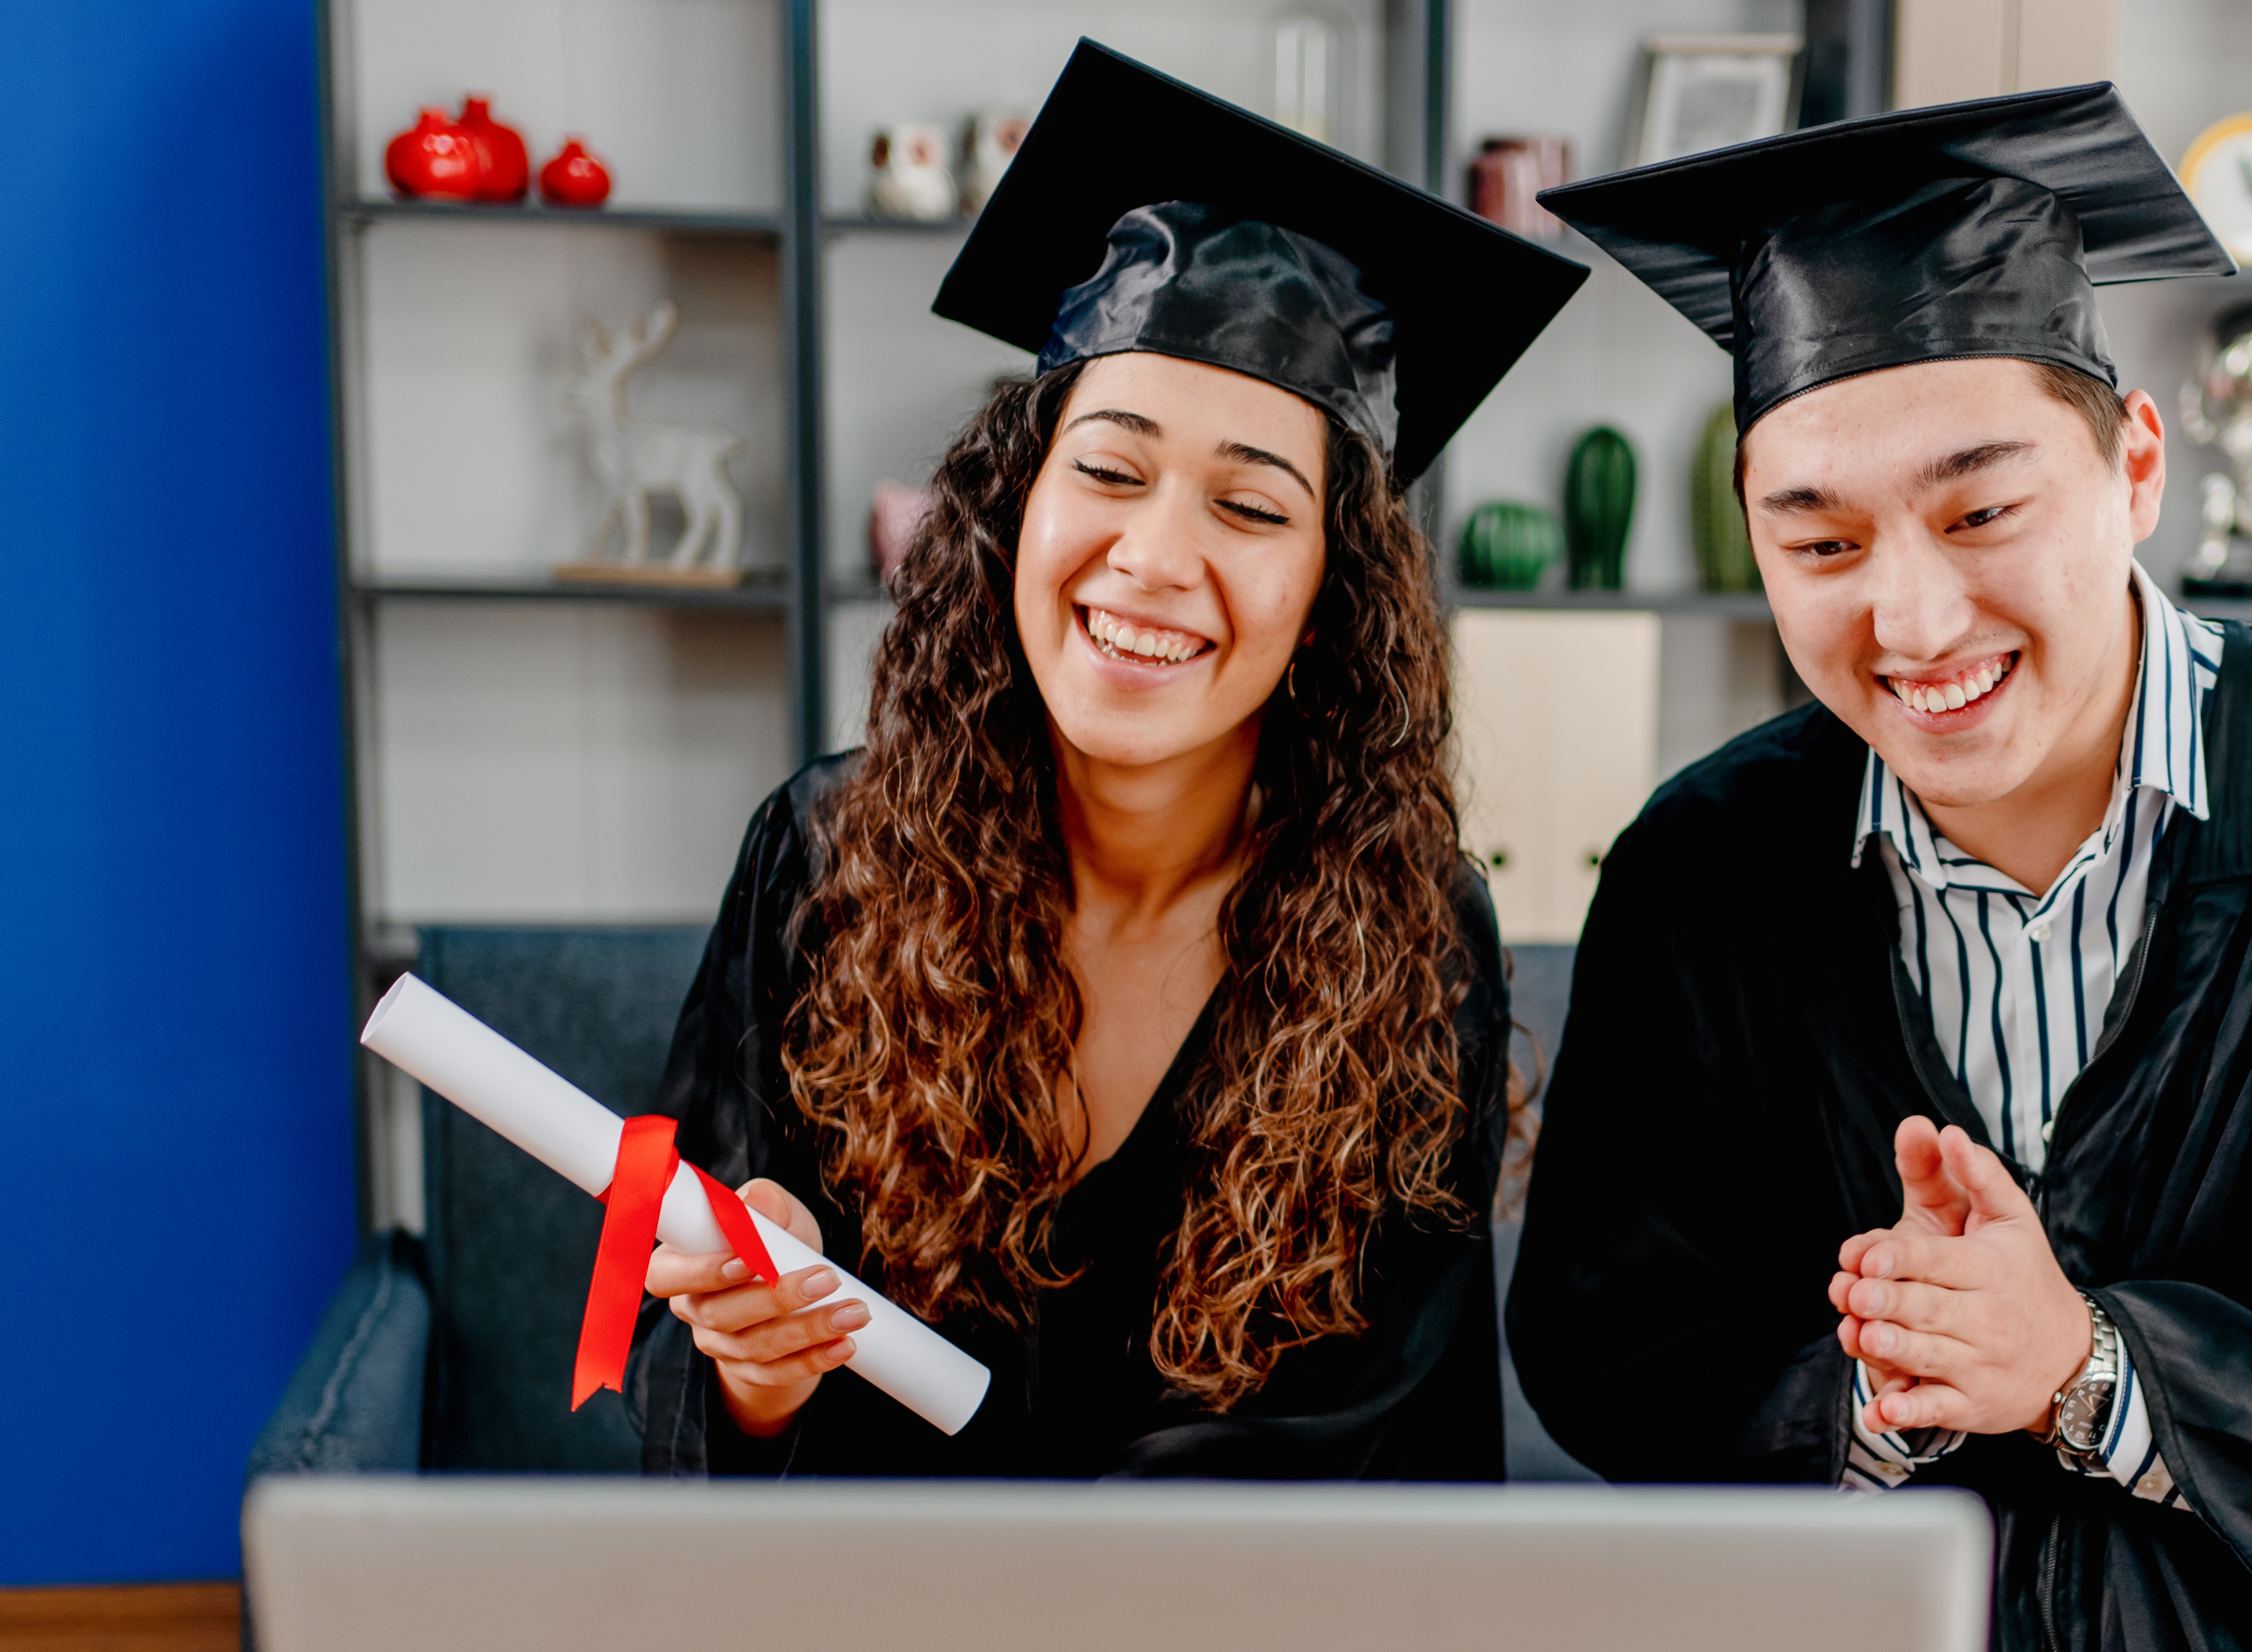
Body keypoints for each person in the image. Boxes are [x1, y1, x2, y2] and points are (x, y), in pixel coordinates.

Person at [1508, 87, 2252, 1649]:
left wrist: (2092, 1374)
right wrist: (1879, 1382)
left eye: (1983, 509)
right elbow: (1614, 1347)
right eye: (1823, 544)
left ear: (2136, 466)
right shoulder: (1703, 877)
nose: (1913, 623)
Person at [620, 39, 1586, 1480]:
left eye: (1252, 509)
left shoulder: (1407, 926)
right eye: (1112, 470)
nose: (1153, 558)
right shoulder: (827, 860)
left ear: (1330, 598)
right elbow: (683, 1373)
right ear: (1018, 508)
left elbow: (1393, 1451)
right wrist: (756, 1366)